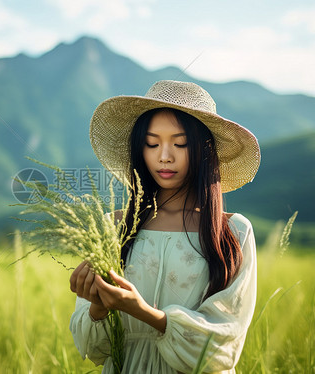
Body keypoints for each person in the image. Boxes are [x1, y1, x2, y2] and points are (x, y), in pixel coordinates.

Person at [69, 80, 260, 373]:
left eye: (180, 143)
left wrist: (144, 313)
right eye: (152, 143)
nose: (164, 155)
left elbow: (226, 340)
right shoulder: (115, 227)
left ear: (204, 151)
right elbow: (92, 348)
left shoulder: (233, 232)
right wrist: (97, 306)